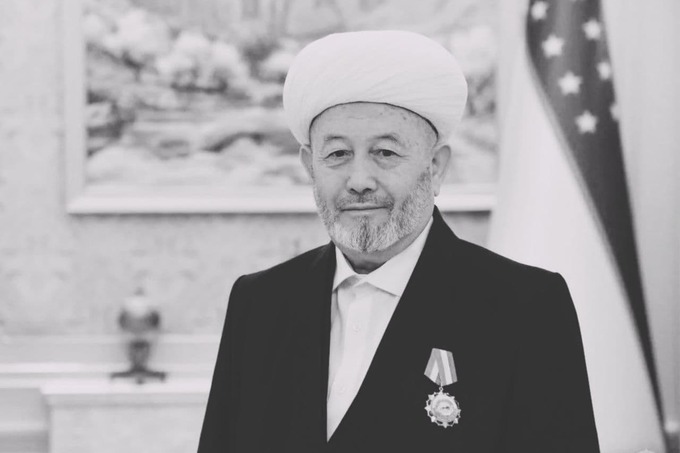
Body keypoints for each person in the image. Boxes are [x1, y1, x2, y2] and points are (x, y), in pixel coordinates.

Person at [198, 30, 599, 453]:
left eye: (385, 153)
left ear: (436, 167)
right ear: (309, 166)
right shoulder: (259, 302)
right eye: (337, 154)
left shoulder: (525, 306)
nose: (359, 181)